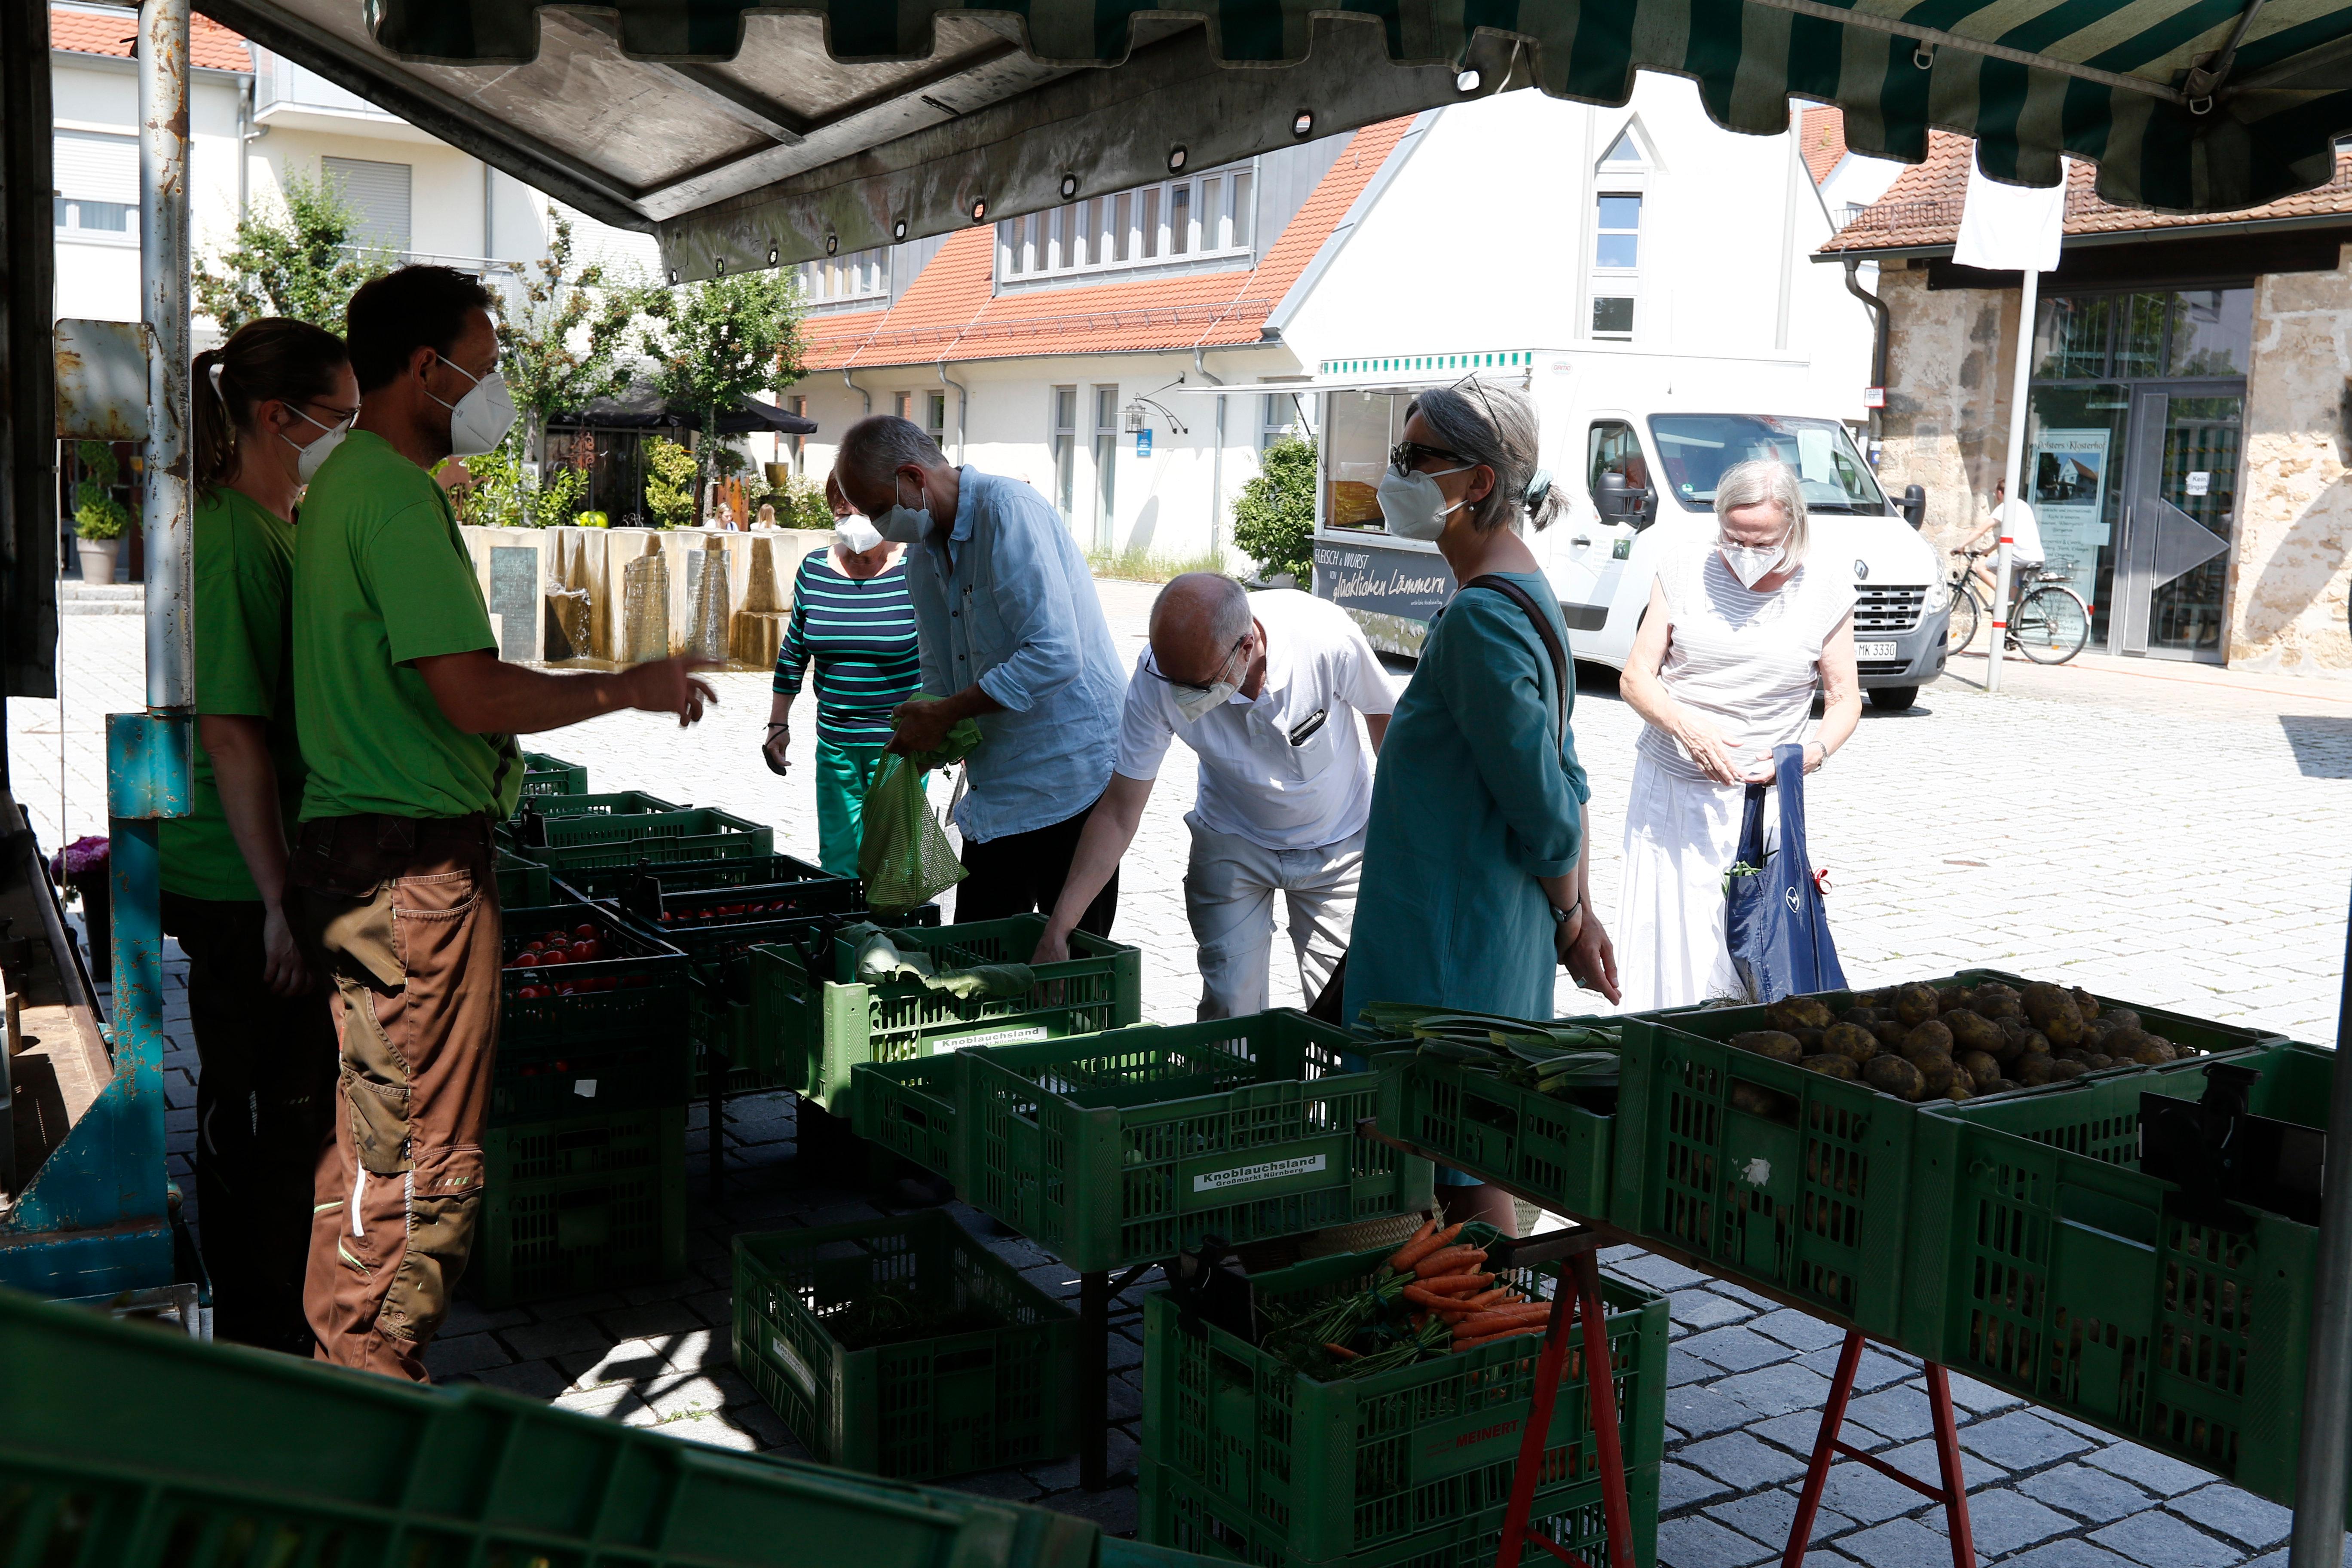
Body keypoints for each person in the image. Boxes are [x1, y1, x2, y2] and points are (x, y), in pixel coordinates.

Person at [292, 265, 717, 1381]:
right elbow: (471, 695)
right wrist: (627, 685)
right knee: (419, 1142)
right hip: (413, 871)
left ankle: (347, 1361)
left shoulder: (341, 486)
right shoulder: (392, 496)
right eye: (483, 363)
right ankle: (375, 1382)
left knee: (373, 1125)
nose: (495, 386)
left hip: (361, 850)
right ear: (424, 368)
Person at [1343, 380, 1617, 1237]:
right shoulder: (1515, 588)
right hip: (1465, 927)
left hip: (1456, 941)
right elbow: (1566, 774)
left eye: (1416, 457)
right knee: (1457, 1155)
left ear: (1479, 482)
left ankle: (1498, 1314)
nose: (1397, 472)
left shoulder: (1483, 621)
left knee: (1464, 1169)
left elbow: (1549, 806)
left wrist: (1572, 916)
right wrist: (1579, 912)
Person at [161, 318, 355, 1355]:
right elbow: (233, 736)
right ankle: (258, 1346)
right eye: (342, 417)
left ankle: (280, 1319)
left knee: (294, 1116)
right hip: (242, 882)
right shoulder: (234, 538)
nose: (352, 436)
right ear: (279, 418)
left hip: (275, 865)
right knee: (266, 1122)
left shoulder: (285, 525)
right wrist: (279, 902)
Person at [1031, 573, 1396, 1017]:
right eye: (1172, 679)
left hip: (1338, 846)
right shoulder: (1158, 675)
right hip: (1232, 840)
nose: (1180, 695)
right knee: (1229, 1008)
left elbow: (1386, 718)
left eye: (1199, 684)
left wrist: (1399, 832)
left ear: (1246, 647)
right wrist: (1059, 927)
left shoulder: (1324, 637)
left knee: (1348, 1007)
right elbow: (1120, 811)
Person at [831, 416, 1126, 932]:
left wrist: (947, 712)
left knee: (1071, 954)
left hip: (1074, 773)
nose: (877, 526)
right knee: (977, 947)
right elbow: (939, 669)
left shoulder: (1009, 511)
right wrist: (927, 731)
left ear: (914, 478)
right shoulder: (921, 559)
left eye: (878, 509)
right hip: (998, 782)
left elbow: (1055, 654)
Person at [1617, 459, 1861, 1013]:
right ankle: (1660, 1043)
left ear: (1794, 527)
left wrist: (1809, 756)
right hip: (1669, 795)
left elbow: (1845, 701)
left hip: (1753, 805)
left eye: (1763, 541)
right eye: (1733, 537)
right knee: (1664, 946)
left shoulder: (1825, 590)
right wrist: (1684, 725)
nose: (1746, 551)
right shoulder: (1683, 568)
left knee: (1743, 949)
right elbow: (1635, 678)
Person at [763, 474, 921, 876]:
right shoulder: (815, 569)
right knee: (838, 865)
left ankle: (891, 921)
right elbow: (794, 651)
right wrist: (778, 724)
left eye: (863, 511)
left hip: (901, 747)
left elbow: (949, 650)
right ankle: (846, 919)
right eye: (842, 512)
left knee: (894, 871)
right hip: (835, 744)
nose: (853, 521)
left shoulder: (917, 568)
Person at [1958, 477, 2045, 609]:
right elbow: (2006, 537)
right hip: (2037, 556)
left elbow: (1981, 531)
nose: (1995, 496)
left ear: (2000, 493)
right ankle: (2015, 620)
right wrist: (1988, 550)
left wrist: (1961, 546)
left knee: (1981, 568)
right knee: (2016, 595)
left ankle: (2002, 599)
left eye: (1995, 493)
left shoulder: (2005, 507)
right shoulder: (2023, 505)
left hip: (2021, 556)